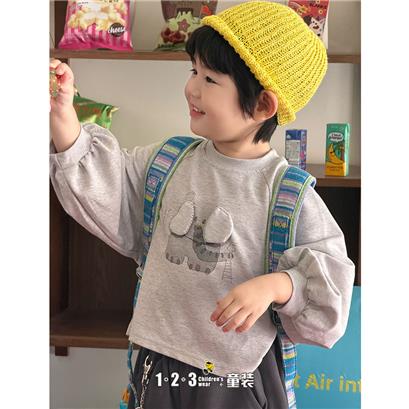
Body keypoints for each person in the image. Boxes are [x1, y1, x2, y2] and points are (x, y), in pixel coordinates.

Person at [49, 2, 355, 408]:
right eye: (193, 71)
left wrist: (277, 285)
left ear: (263, 106)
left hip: (238, 379)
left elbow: (330, 291)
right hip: (158, 361)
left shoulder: (288, 195)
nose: (192, 88)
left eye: (210, 78)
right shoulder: (168, 162)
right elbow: (106, 184)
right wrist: (63, 115)